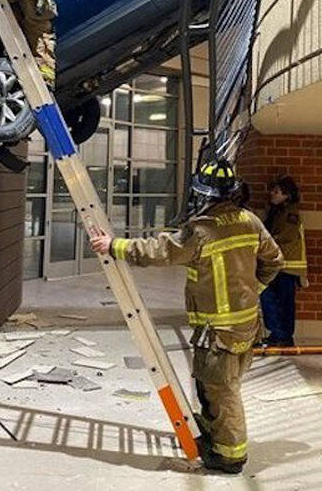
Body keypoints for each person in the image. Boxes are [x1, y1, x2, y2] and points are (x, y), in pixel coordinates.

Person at [90, 158, 284, 474]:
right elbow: (275, 260)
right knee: (217, 387)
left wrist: (114, 245)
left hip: (218, 331)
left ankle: (230, 456)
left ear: (204, 193)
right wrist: (253, 290)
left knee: (222, 391)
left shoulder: (202, 231)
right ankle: (216, 436)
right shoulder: (250, 221)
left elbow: (159, 250)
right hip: (248, 324)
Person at [259, 175, 307, 347]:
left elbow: (284, 237)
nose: (272, 194)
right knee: (272, 298)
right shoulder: (277, 212)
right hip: (277, 265)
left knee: (282, 302)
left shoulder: (290, 214)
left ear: (287, 195)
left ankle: (283, 335)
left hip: (286, 266)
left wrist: (262, 245)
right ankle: (278, 334)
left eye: (277, 191)